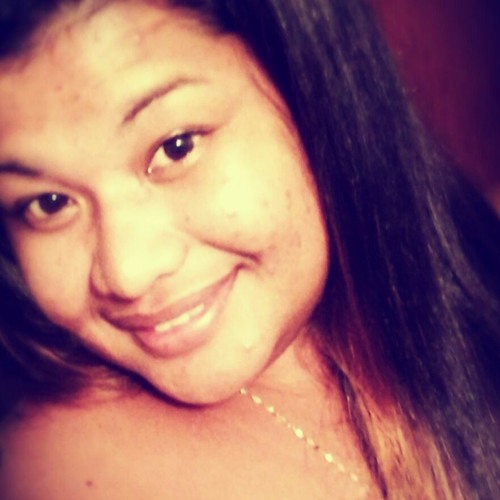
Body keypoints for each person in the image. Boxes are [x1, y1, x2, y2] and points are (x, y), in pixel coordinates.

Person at [0, 0, 498, 498]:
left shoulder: (474, 261)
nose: (129, 272)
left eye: (176, 146)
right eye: (48, 203)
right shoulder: (62, 472)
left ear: (312, 88)